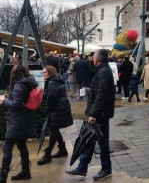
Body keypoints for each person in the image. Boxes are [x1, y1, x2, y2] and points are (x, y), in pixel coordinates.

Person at [66, 49, 115, 181]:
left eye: (93, 56)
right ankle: (82, 168)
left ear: (98, 58)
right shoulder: (101, 70)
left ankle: (106, 169)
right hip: (98, 112)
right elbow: (99, 91)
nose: (91, 58)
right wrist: (90, 89)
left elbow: (102, 95)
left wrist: (93, 114)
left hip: (100, 114)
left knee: (102, 142)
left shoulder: (103, 72)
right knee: (89, 140)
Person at [0, 64, 38, 182]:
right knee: (22, 145)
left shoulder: (19, 86)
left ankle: (2, 177)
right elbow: (21, 100)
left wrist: (3, 100)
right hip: (26, 121)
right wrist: (9, 96)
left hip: (17, 122)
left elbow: (16, 105)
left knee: (7, 147)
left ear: (15, 73)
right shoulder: (29, 84)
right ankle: (25, 171)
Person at [37, 66, 73, 165]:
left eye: (44, 72)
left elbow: (51, 99)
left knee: (53, 130)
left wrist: (46, 110)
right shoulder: (54, 81)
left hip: (57, 110)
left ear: (50, 73)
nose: (43, 74)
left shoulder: (52, 82)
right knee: (55, 129)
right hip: (59, 108)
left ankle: (47, 154)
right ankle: (62, 150)